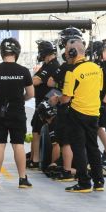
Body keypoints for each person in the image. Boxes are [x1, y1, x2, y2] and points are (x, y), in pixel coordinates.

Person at [50, 39, 104, 193]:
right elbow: (99, 89)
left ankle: (84, 183)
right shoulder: (97, 68)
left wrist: (56, 99)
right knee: (93, 147)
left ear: (73, 53)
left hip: (77, 114)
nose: (65, 54)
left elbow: (66, 98)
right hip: (94, 113)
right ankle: (99, 182)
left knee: (78, 148)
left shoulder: (72, 72)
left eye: (67, 52)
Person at [0, 37, 34, 188]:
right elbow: (31, 94)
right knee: (18, 145)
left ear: (2, 52)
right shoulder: (23, 71)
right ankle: (23, 179)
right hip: (17, 112)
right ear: (17, 52)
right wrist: (20, 100)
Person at [47, 27, 85, 181]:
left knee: (65, 141)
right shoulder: (91, 67)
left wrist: (59, 94)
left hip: (67, 107)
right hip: (86, 108)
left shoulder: (66, 68)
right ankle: (85, 173)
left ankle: (68, 171)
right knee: (84, 142)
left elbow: (51, 82)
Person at [28, 40, 60, 170]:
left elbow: (36, 80)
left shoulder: (51, 65)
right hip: (42, 102)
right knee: (36, 129)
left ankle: (35, 160)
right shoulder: (46, 65)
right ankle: (33, 157)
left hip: (45, 104)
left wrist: (25, 78)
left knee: (37, 131)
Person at [36, 101, 60, 177]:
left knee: (52, 170)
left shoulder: (53, 124)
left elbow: (56, 145)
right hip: (79, 151)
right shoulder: (61, 117)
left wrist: (54, 164)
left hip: (73, 155)